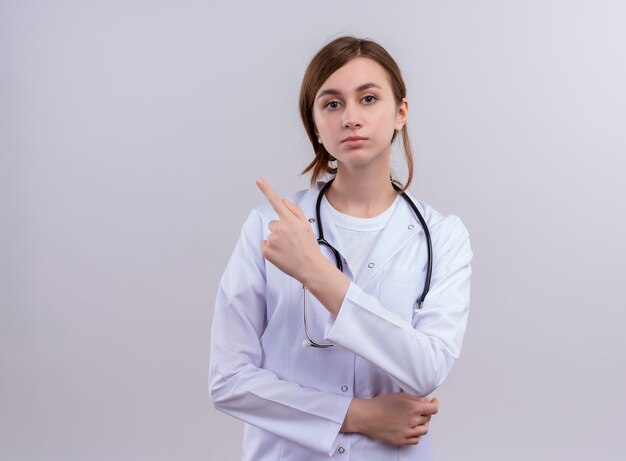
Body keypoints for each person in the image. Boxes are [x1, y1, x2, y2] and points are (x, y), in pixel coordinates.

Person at [209, 35, 473, 460]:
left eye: (368, 98)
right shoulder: (268, 226)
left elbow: (427, 369)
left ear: (400, 112)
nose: (351, 117)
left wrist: (315, 272)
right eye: (332, 104)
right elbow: (228, 381)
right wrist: (354, 415)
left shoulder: (443, 236)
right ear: (315, 124)